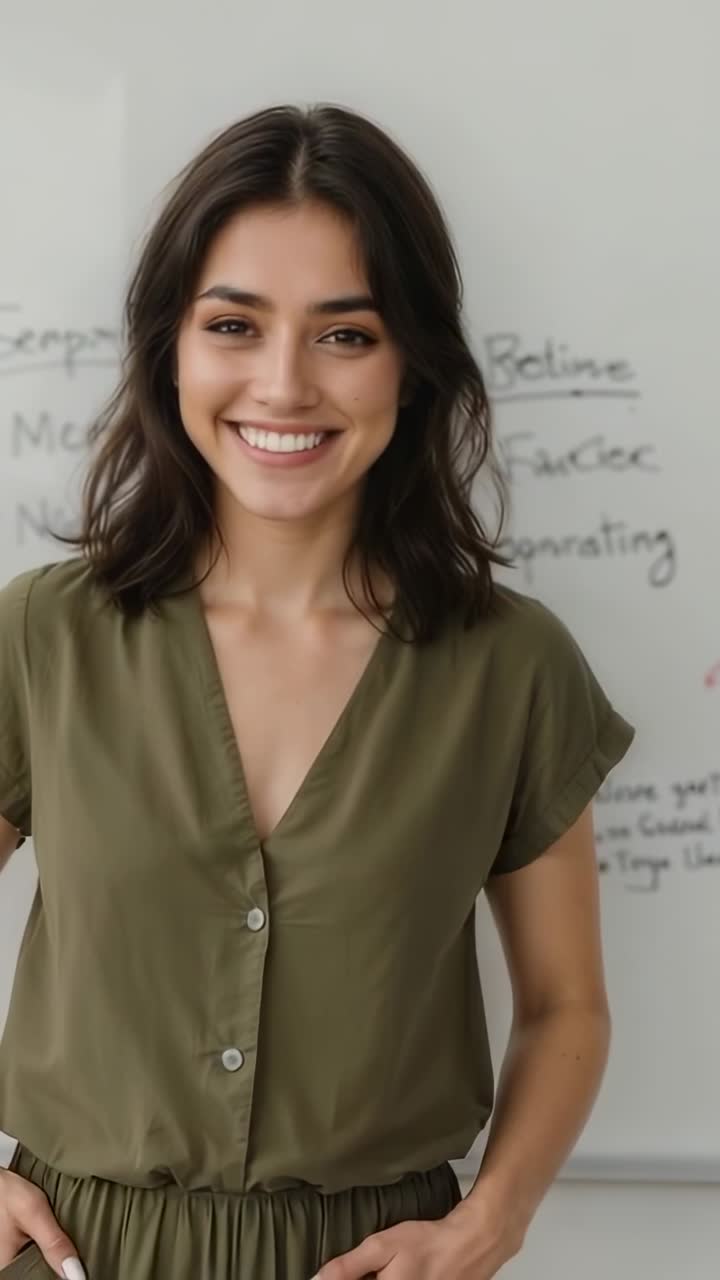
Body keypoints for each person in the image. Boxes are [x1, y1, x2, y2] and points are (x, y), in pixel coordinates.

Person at [0, 102, 635, 1280]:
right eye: (234, 323)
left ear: (414, 358)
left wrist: (492, 1217)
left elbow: (565, 1006)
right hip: (77, 1253)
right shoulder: (43, 636)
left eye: (346, 334)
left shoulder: (512, 667)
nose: (283, 384)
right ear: (170, 347)